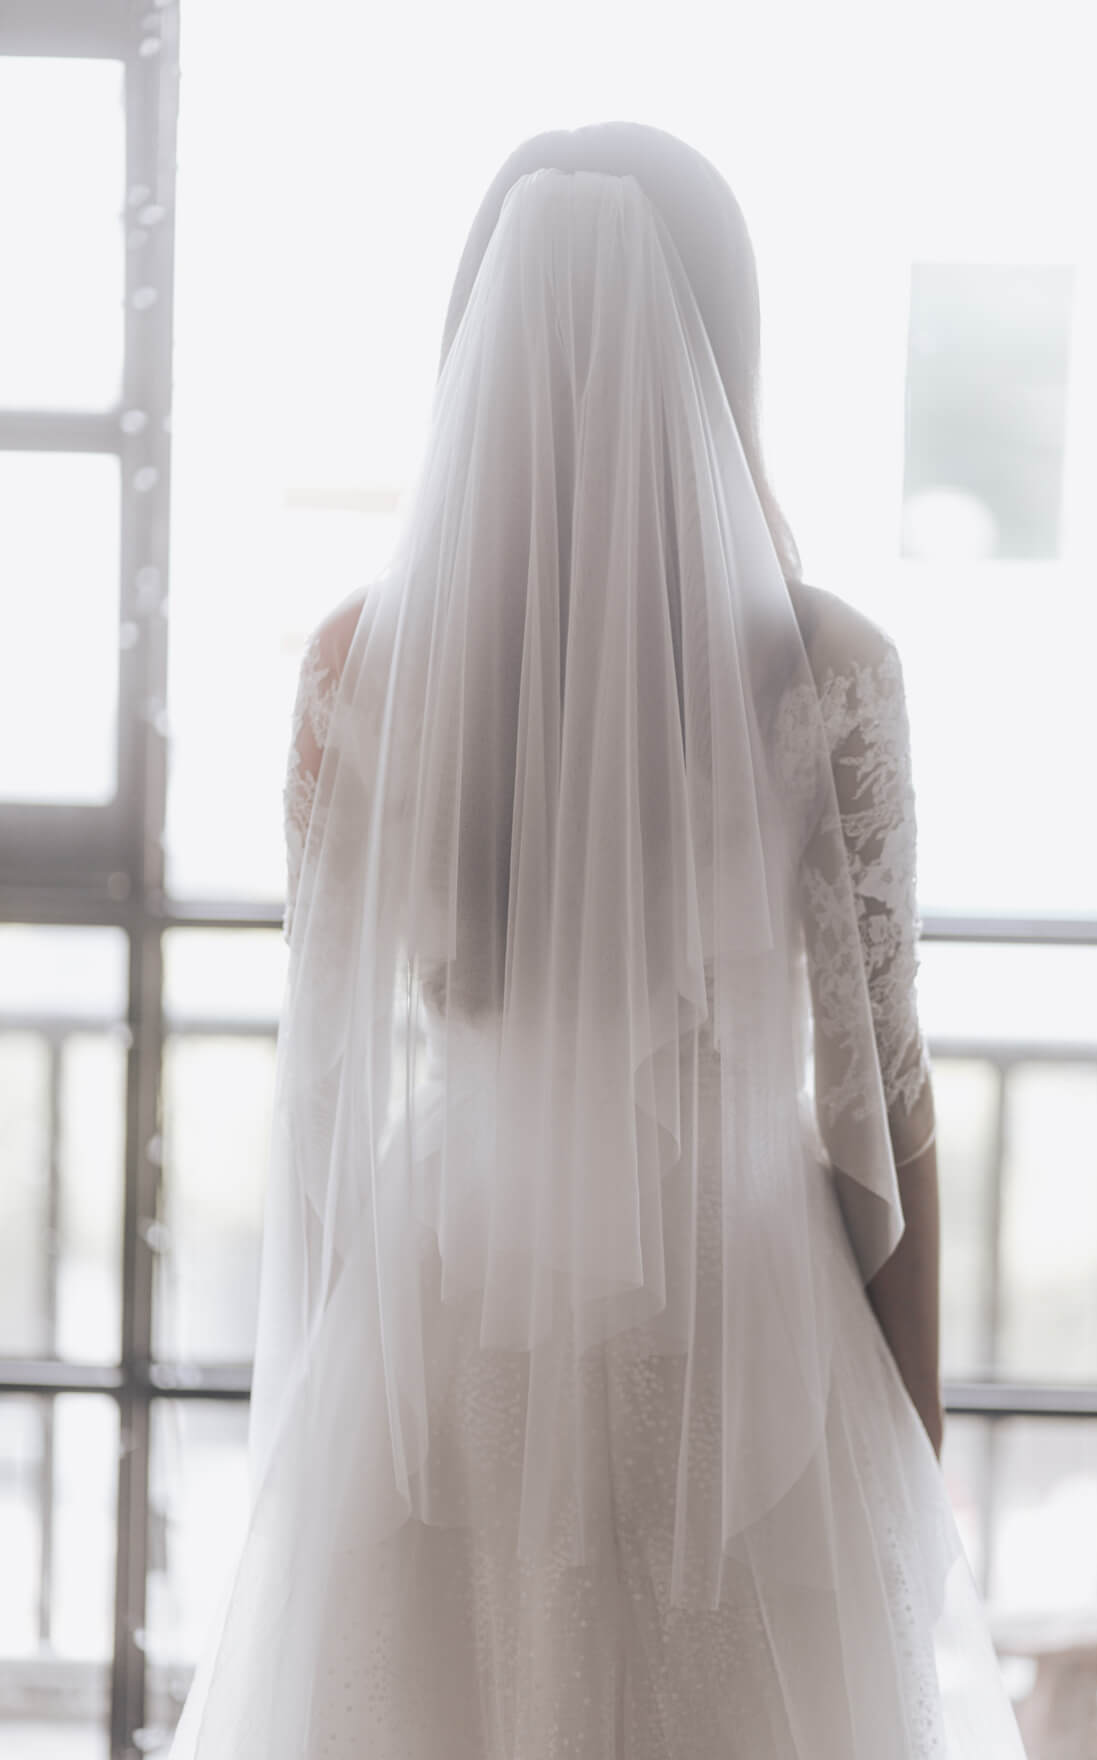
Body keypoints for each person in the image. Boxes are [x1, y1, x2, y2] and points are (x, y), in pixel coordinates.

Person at [169, 122, 1028, 1757]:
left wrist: (338, 1400)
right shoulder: (827, 667)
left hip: (443, 1315)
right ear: (727, 355)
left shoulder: (356, 669)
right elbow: (884, 1111)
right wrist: (908, 1451)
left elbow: (321, 1117)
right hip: (742, 1320)